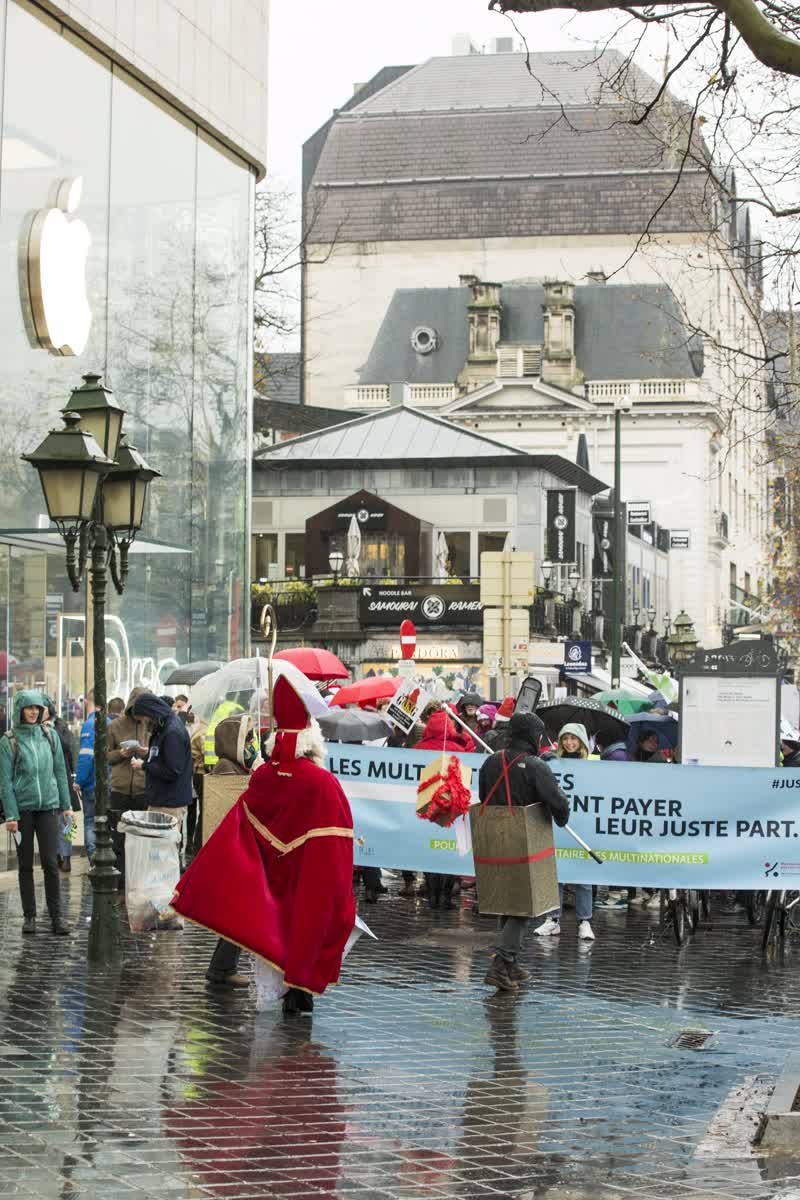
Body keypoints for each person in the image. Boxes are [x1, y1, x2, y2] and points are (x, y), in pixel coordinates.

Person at [172, 675, 356, 1013]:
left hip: (269, 877)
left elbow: (240, 828)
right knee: (304, 932)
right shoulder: (322, 783)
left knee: (273, 936)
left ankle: (281, 993)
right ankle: (299, 995)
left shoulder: (263, 776)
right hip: (306, 879)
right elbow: (338, 844)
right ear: (311, 740)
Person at [480, 712, 570, 991]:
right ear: (533, 735)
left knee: (506, 899)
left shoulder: (490, 761)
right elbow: (557, 802)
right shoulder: (535, 766)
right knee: (523, 903)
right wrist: (561, 817)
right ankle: (501, 962)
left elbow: (484, 796)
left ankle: (510, 964)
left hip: (492, 837)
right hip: (524, 838)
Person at [0, 690, 73, 935]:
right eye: (28, 708)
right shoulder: (8, 741)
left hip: (49, 808)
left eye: (37, 708)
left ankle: (56, 917)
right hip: (23, 811)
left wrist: (67, 806)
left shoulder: (50, 736)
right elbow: (5, 782)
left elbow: (61, 772)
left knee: (51, 863)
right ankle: (29, 916)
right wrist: (11, 815)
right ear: (20, 709)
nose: (33, 712)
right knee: (25, 865)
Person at [534, 723, 595, 941]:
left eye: (574, 739)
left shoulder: (593, 765)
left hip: (584, 825)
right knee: (555, 874)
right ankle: (552, 920)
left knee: (583, 876)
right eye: (566, 738)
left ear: (582, 742)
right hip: (558, 824)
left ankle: (584, 921)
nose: (569, 743)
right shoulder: (552, 763)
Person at [416, 708, 475, 909]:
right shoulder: (458, 749)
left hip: (427, 808)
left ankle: (432, 895)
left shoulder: (418, 748)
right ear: (449, 726)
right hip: (452, 807)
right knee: (448, 850)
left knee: (429, 852)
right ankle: (446, 897)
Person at [130, 695, 193, 844]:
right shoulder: (163, 728)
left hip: (169, 802)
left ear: (150, 713)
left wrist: (144, 765)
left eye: (143, 719)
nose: (144, 724)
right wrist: (149, 756)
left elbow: (172, 770)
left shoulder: (171, 731)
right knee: (157, 851)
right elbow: (165, 757)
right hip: (161, 799)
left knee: (164, 851)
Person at [106, 687, 150, 885]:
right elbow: (106, 756)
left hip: (143, 788)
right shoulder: (115, 726)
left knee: (141, 838)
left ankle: (138, 880)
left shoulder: (150, 725)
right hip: (120, 790)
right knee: (120, 838)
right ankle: (121, 881)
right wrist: (120, 754)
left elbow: (157, 753)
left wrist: (145, 752)